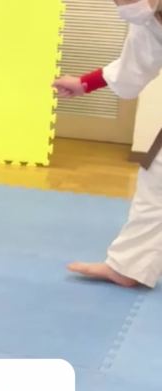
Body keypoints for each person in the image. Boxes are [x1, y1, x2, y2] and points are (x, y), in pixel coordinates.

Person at [53, 0, 162, 288]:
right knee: (157, 178)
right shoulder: (150, 19)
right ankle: (129, 266)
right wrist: (85, 83)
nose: (124, 6)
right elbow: (135, 66)